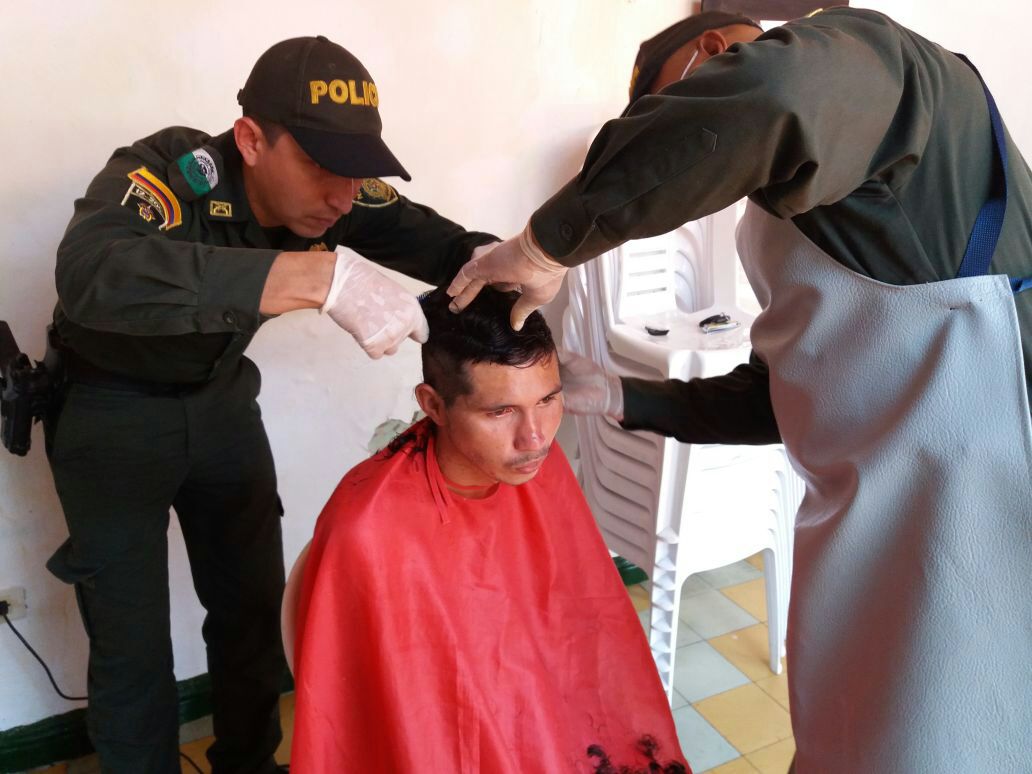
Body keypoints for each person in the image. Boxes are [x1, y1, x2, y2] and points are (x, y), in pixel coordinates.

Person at [447, 9, 1032, 773]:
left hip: (985, 521)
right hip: (875, 538)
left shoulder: (880, 70)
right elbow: (795, 388)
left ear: (714, 55)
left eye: (669, 116)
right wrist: (626, 397)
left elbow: (773, 94)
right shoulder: (811, 209)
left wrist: (549, 239)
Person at [44, 36, 497, 774]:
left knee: (252, 611)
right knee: (132, 648)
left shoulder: (337, 193)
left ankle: (249, 763)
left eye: (357, 173)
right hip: (112, 416)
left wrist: (518, 260)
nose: (344, 196)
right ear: (252, 140)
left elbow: (443, 246)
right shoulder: (168, 174)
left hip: (221, 406)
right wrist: (312, 279)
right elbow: (92, 271)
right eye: (322, 167)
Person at [288, 288, 688, 774]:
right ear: (433, 405)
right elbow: (388, 722)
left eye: (548, 399)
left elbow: (582, 630)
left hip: (545, 713)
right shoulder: (367, 529)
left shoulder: (537, 465)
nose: (536, 437)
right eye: (500, 412)